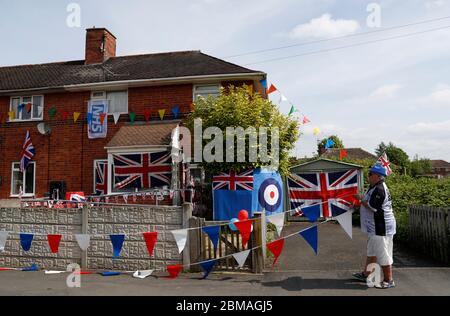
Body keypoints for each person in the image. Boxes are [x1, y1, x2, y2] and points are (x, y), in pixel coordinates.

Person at [352, 164, 397, 289]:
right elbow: (369, 202)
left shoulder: (379, 189)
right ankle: (366, 274)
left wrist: (361, 200)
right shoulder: (374, 187)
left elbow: (373, 207)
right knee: (372, 251)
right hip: (374, 227)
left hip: (381, 227)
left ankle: (389, 280)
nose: (368, 176)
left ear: (378, 176)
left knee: (383, 254)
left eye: (370, 174)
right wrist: (360, 202)